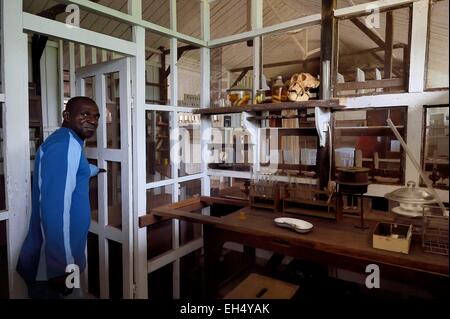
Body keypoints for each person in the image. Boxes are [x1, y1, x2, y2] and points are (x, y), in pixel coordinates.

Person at [17, 96, 102, 299]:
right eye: (85, 114)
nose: (93, 120)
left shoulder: (68, 142)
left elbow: (71, 170)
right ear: (67, 115)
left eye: (96, 116)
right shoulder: (64, 146)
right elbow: (55, 211)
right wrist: (61, 268)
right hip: (52, 267)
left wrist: (92, 169)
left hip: (62, 260)